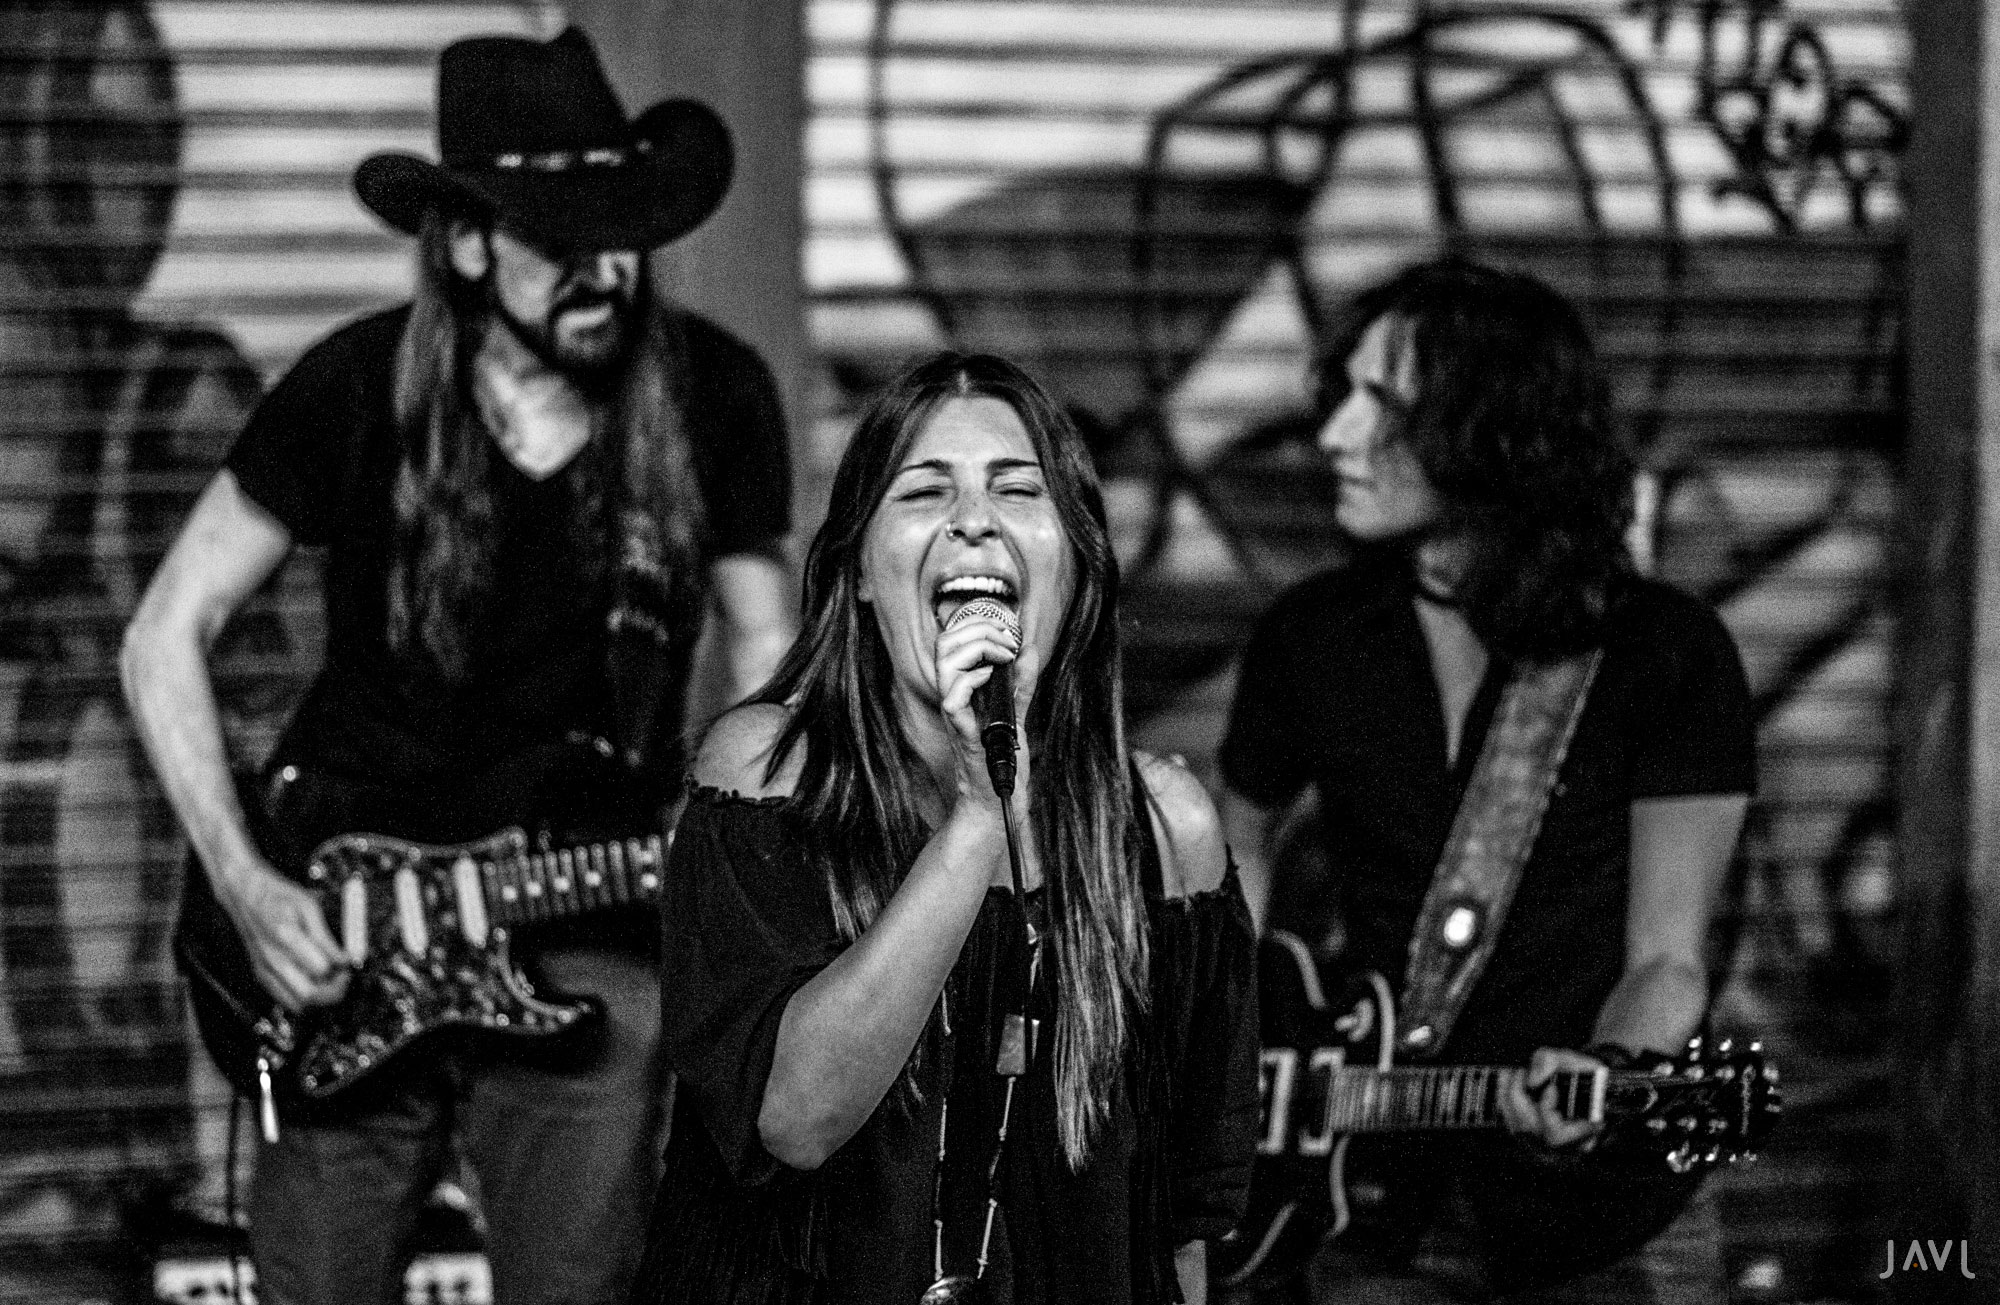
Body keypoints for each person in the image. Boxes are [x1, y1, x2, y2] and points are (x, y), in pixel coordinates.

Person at [119, 28, 795, 1304]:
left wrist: (749, 837)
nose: (603, 270)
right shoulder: (357, 386)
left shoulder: (713, 395)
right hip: (344, 922)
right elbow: (163, 635)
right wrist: (251, 890)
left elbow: (768, 647)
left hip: (586, 914)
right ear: (470, 243)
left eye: (622, 234)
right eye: (559, 237)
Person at [632, 352, 1260, 1305]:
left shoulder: (1164, 830)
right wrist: (980, 811)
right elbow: (796, 1116)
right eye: (925, 493)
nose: (974, 519)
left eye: (1017, 488)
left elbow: (1183, 1218)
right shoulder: (765, 773)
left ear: (1078, 568)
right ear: (865, 578)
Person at [1218, 259, 1754, 1297]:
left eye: (1380, 404)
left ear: (1492, 428)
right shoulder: (1312, 637)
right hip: (1362, 1206)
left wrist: (1605, 1074)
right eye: (1341, 397)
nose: (1331, 436)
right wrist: (1243, 1036)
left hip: (1607, 1231)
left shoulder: (1663, 653)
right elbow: (1229, 846)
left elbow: (1667, 961)